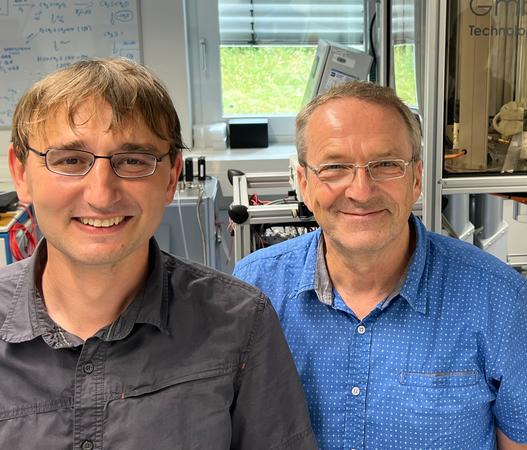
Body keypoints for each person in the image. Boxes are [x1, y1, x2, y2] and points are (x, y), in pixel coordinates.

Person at [0, 57, 315, 449]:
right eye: (70, 161)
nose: (101, 195)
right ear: (21, 174)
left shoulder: (240, 325)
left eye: (133, 161)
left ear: (170, 177)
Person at [234, 81, 527, 449]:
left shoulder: (499, 301)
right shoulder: (254, 291)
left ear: (417, 178)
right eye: (335, 167)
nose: (361, 190)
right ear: (304, 183)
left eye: (386, 165)